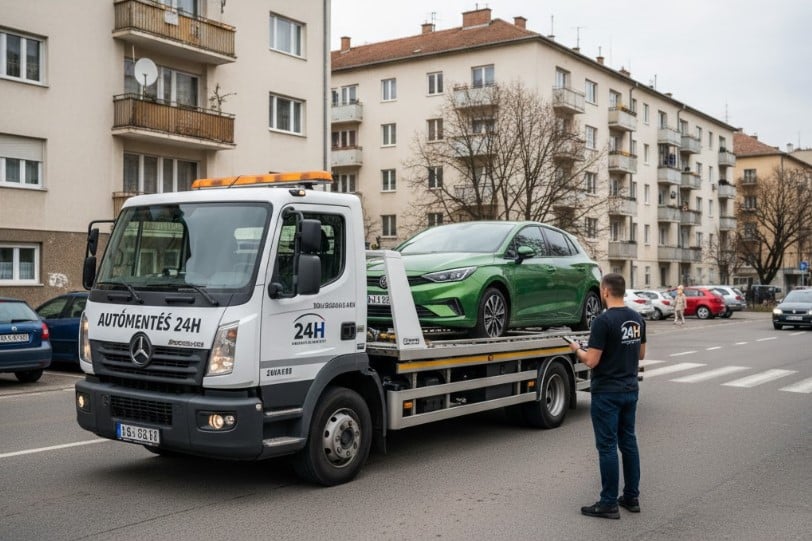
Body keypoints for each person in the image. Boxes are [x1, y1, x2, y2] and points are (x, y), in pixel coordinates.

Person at [568, 273, 646, 520]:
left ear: (605, 292)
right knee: (628, 442)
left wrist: (577, 349)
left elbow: (591, 361)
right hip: (630, 390)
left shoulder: (603, 321)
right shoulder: (637, 319)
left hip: (607, 393)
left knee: (607, 447)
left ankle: (608, 502)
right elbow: (641, 354)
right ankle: (631, 497)